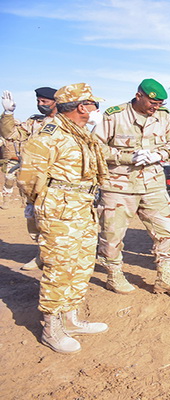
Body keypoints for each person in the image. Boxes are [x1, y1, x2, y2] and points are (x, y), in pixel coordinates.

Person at [17, 83, 109, 354]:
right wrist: (41, 205)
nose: (96, 109)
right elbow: (29, 178)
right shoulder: (50, 134)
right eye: (93, 104)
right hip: (60, 211)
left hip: (82, 208)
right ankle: (51, 328)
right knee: (59, 268)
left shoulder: (81, 134)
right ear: (81, 106)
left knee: (81, 264)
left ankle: (70, 319)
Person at [93, 78, 170, 297]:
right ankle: (114, 275)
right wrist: (126, 157)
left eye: (159, 104)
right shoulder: (114, 115)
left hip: (153, 184)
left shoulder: (163, 116)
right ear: (139, 96)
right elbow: (95, 147)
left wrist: (158, 154)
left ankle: (165, 277)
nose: (155, 107)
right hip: (118, 185)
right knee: (112, 234)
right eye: (152, 103)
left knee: (167, 232)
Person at [1, 87, 57, 270]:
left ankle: (58, 256)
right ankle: (42, 254)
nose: (41, 105)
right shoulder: (34, 122)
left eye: (45, 102)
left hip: (58, 180)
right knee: (34, 219)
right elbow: (10, 135)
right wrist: (8, 114)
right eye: (38, 102)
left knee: (58, 221)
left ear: (56, 102)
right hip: (34, 181)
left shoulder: (67, 122)